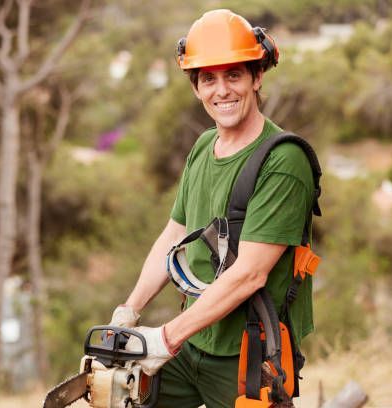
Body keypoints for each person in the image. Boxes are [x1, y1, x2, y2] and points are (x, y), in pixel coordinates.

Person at [109, 9, 317, 408]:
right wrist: (129, 311)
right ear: (196, 87)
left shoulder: (284, 160)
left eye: (234, 75)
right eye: (209, 79)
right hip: (193, 341)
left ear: (257, 77)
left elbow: (250, 274)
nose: (221, 90)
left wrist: (165, 338)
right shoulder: (205, 146)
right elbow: (173, 235)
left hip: (247, 356)